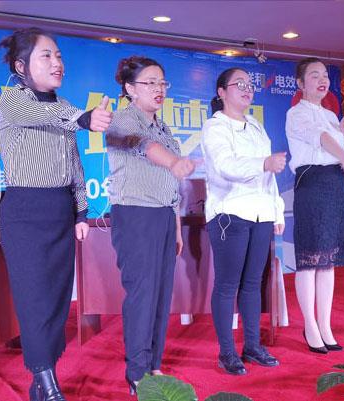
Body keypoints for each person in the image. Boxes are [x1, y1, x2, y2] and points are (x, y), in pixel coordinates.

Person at [0, 28, 111, 401]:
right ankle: (48, 385)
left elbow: (74, 165)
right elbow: (43, 113)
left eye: (58, 55)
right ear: (21, 66)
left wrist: (81, 211)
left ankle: (41, 379)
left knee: (59, 300)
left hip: (61, 211)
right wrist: (84, 118)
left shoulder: (63, 109)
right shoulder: (13, 101)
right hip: (26, 214)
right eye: (46, 55)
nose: (57, 62)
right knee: (35, 299)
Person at [104, 55, 195, 393]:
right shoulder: (122, 121)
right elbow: (145, 147)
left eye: (162, 82)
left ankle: (154, 364)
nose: (159, 89)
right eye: (150, 83)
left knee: (161, 295)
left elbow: (171, 185)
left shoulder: (163, 126)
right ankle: (137, 373)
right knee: (142, 295)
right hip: (135, 216)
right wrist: (173, 162)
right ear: (130, 88)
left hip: (163, 217)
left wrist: (176, 225)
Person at [201, 68, 285, 375]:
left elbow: (270, 174)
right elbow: (226, 165)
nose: (247, 89)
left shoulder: (256, 126)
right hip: (230, 213)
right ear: (222, 92)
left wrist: (276, 210)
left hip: (260, 213)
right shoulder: (215, 126)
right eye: (239, 84)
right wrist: (263, 163)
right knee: (227, 285)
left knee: (253, 283)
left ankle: (252, 346)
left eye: (250, 85)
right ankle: (227, 352)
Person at [285, 57, 344, 354]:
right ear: (300, 83)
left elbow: (331, 139)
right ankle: (310, 325)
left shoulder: (331, 114)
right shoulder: (296, 113)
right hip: (312, 183)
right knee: (310, 258)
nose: (322, 80)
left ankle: (326, 325)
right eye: (314, 75)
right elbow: (319, 139)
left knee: (328, 260)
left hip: (334, 184)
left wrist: (341, 130)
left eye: (324, 76)